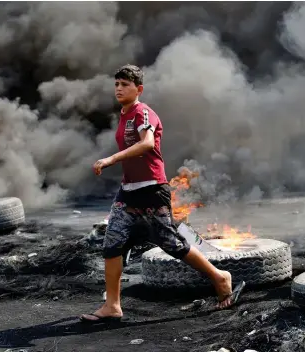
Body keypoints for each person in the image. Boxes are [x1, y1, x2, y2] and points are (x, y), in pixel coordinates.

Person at [80, 65, 245, 324]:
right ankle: (112, 306)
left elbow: (146, 144)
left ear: (139, 89)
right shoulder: (124, 115)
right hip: (129, 192)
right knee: (112, 243)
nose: (119, 89)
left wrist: (111, 158)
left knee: (171, 243)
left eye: (125, 84)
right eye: (117, 84)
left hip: (152, 190)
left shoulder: (143, 112)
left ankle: (219, 276)